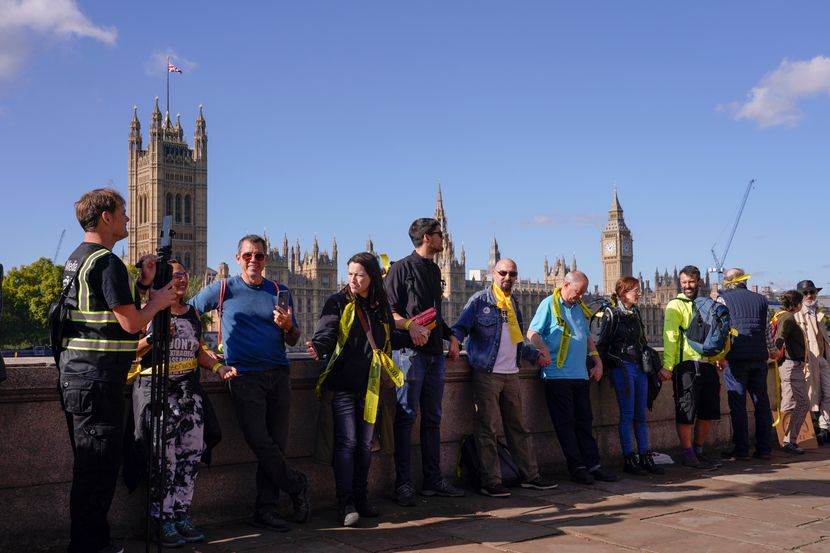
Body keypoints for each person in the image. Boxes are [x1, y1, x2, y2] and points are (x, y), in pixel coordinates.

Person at [58, 188, 177, 553]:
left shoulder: (80, 259)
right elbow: (130, 324)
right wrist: (156, 302)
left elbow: (101, 314)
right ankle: (91, 546)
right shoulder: (106, 262)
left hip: (79, 378)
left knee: (89, 469)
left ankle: (90, 542)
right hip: (97, 381)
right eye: (123, 212)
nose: (128, 218)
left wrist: (141, 285)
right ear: (106, 217)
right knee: (97, 472)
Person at [189, 235, 309, 531]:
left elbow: (294, 338)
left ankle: (266, 509)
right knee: (259, 440)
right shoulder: (223, 289)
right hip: (243, 376)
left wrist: (289, 326)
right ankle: (296, 484)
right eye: (247, 256)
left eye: (258, 256)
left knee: (276, 445)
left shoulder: (280, 291)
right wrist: (203, 353)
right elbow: (187, 312)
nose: (253, 260)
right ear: (237, 258)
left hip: (279, 374)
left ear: (266, 259)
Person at [132, 260, 237, 546]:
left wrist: (218, 368)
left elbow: (198, 350)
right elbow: (131, 349)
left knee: (190, 458)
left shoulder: (191, 312)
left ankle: (181, 515)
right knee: (163, 460)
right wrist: (154, 338)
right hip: (159, 393)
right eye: (175, 275)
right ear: (163, 280)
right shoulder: (148, 312)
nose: (181, 280)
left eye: (184, 275)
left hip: (190, 394)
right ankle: (161, 520)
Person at [306, 252, 404, 526]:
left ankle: (361, 497)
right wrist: (319, 346)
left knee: (364, 445)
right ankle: (345, 502)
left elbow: (388, 338)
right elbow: (327, 330)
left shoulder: (380, 307)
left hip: (371, 386)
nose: (353, 279)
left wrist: (416, 333)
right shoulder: (337, 301)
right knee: (347, 442)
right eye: (350, 274)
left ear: (372, 277)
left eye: (359, 274)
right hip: (342, 386)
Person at [450, 258, 558, 497]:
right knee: (487, 429)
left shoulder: (513, 303)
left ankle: (531, 476)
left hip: (512, 374)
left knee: (519, 428)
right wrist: (455, 342)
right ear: (492, 273)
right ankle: (491, 481)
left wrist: (535, 355)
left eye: (512, 273)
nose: (507, 277)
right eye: (503, 273)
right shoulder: (479, 301)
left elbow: (516, 339)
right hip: (487, 374)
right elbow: (459, 328)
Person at [384, 218, 464, 506]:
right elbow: (387, 312)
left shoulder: (434, 270)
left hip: (433, 356)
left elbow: (435, 315)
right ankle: (403, 484)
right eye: (441, 234)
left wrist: (452, 337)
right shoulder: (400, 268)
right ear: (428, 238)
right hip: (408, 355)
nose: (445, 239)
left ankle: (433, 480)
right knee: (405, 418)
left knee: (433, 419)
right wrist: (409, 327)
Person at [527, 271, 617, 485]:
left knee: (585, 422)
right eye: (578, 292)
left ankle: (594, 465)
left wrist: (598, 361)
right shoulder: (549, 304)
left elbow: (586, 337)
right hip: (557, 376)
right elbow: (532, 333)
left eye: (583, 292)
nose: (580, 296)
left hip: (580, 374)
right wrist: (542, 350)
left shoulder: (577, 308)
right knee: (566, 425)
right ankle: (576, 467)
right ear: (566, 285)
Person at [595, 276, 664, 475]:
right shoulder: (611, 313)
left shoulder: (636, 312)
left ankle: (645, 456)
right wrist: (602, 365)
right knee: (627, 415)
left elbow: (641, 341)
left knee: (641, 415)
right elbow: (603, 343)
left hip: (639, 367)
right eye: (635, 290)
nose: (639, 293)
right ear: (624, 292)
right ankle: (629, 458)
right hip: (622, 367)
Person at [659, 265, 722, 470]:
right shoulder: (675, 305)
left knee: (707, 411)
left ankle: (699, 450)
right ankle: (687, 453)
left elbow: (718, 334)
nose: (687, 286)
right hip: (686, 365)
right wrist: (668, 365)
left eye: (691, 282)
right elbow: (670, 337)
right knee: (686, 411)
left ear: (699, 282)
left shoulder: (708, 304)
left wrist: (719, 357)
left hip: (708, 364)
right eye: (684, 282)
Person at [717, 268, 773, 461]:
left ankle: (741, 449)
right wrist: (771, 349)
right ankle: (764, 449)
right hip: (759, 357)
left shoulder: (724, 299)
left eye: (725, 280)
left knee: (738, 405)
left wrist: (719, 356)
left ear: (730, 282)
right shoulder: (762, 300)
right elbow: (766, 331)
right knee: (762, 404)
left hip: (736, 358)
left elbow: (720, 331)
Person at [794, 280, 830, 445]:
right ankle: (814, 430)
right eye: (806, 293)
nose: (810, 295)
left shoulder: (819, 314)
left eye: (812, 292)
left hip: (823, 359)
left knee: (827, 394)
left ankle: (825, 428)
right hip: (808, 360)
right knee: (811, 395)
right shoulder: (797, 314)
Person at [774, 290, 810, 454]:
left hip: (790, 365)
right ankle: (788, 441)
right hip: (791, 366)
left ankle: (785, 440)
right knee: (801, 403)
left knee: (790, 403)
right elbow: (780, 338)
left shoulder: (780, 315)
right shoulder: (788, 318)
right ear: (796, 304)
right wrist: (774, 351)